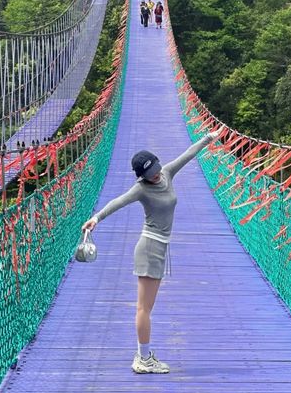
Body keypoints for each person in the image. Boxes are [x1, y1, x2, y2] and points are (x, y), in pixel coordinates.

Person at [82, 129, 221, 374]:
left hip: (159, 246)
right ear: (141, 176)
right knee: (143, 308)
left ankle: (144, 356)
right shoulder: (141, 189)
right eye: (149, 174)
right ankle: (142, 358)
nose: (155, 175)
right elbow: (119, 201)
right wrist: (96, 218)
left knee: (147, 307)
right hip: (149, 248)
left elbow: (188, 154)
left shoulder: (167, 172)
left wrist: (208, 137)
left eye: (155, 169)